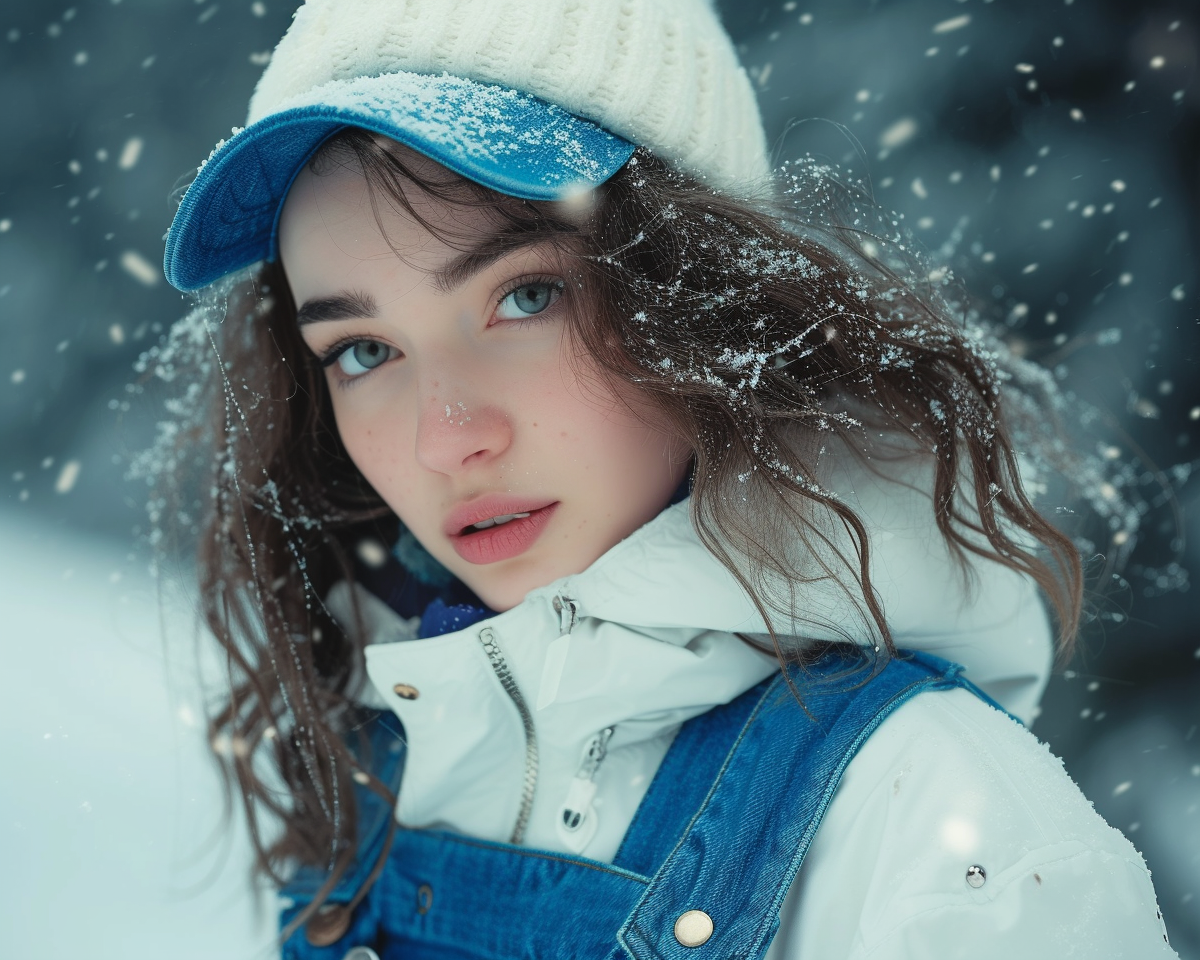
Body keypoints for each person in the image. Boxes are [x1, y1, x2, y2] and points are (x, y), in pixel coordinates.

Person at [156, 0, 1177, 956]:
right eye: (364, 351)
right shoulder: (386, 747)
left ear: (703, 290)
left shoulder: (951, 846)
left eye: (525, 296)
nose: (443, 438)